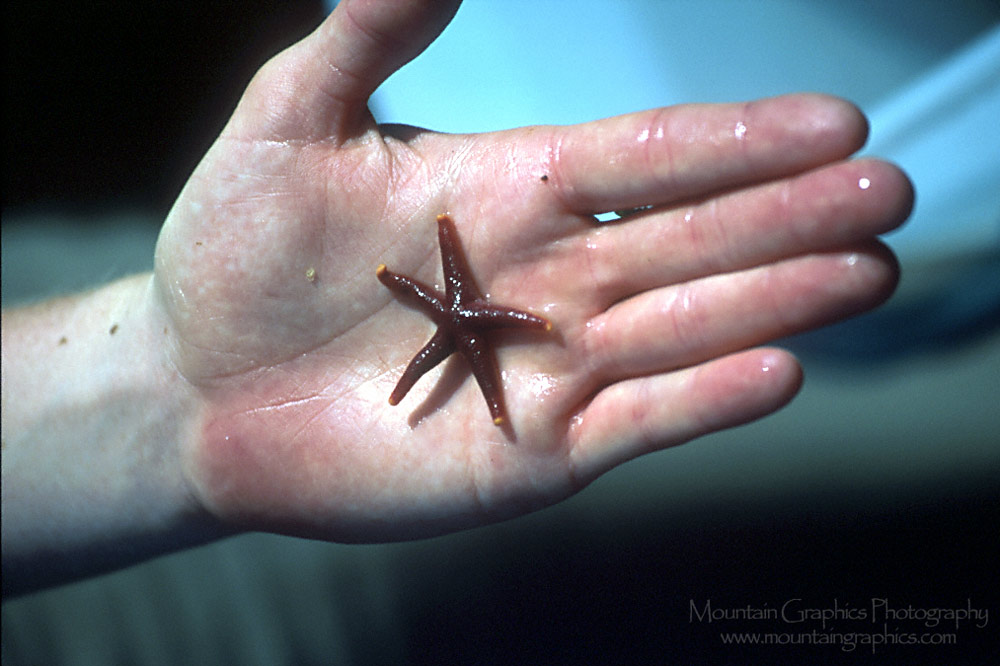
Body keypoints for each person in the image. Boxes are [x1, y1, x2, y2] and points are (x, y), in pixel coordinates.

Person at [1, 0, 913, 597]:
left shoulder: (452, 308)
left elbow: (458, 309)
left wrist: (167, 365)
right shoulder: (449, 315)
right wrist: (174, 383)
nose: (459, 315)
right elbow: (455, 315)